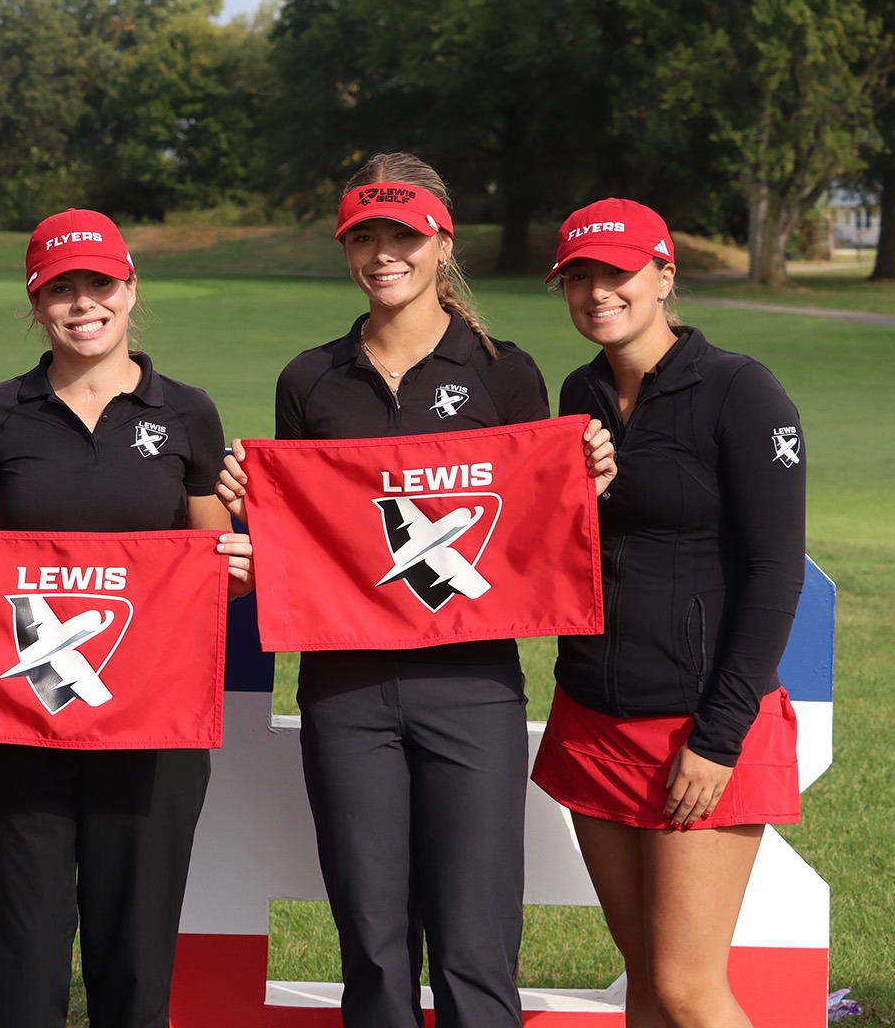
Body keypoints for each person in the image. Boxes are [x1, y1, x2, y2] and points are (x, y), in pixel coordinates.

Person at [216, 153, 615, 1028]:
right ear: (346, 248)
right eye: (365, 236)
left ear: (443, 241)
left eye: (404, 234)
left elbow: (535, 520)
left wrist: (592, 470)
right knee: (372, 940)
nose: (384, 253)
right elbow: (301, 534)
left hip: (470, 683)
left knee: (477, 943)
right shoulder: (309, 380)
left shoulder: (504, 373)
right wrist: (248, 508)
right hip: (344, 688)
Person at [0, 208, 252, 1028]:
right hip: (18, 722)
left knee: (135, 962)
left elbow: (211, 568)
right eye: (62, 290)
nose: (85, 305)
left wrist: (240, 570)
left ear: (130, 288)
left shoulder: (187, 411)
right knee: (18, 967)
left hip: (151, 727)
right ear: (37, 303)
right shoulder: (1, 411)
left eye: (100, 285)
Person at [532, 198, 805, 1027]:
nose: (596, 293)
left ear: (663, 275)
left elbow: (774, 575)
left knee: (688, 987)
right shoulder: (577, 392)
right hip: (593, 716)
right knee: (646, 981)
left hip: (699, 729)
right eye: (578, 277)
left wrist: (717, 741)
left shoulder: (741, 391)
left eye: (615, 273)